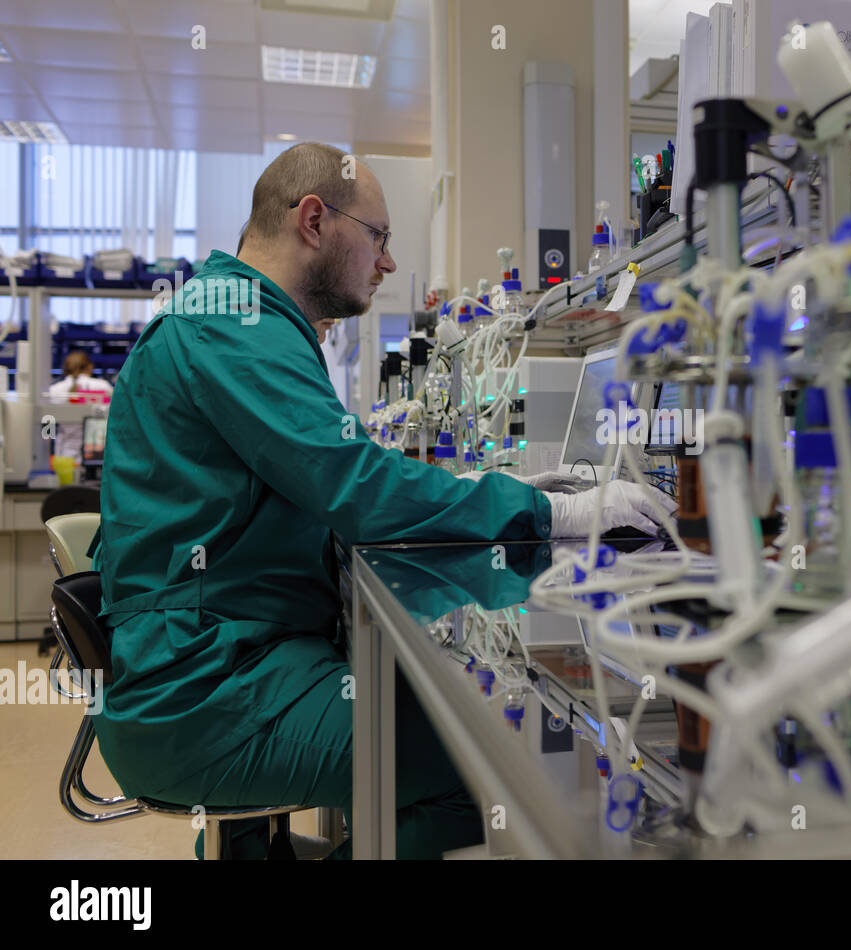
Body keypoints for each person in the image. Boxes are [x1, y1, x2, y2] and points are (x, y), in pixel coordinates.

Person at [91, 142, 674, 859]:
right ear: (313, 220)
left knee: (420, 707)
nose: (388, 262)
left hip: (217, 662)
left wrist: (481, 493)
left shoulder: (239, 315)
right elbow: (357, 488)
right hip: (203, 692)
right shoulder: (232, 322)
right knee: (476, 756)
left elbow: (324, 479)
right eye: (379, 238)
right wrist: (560, 514)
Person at [48, 351, 113, 465]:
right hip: (98, 453)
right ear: (90, 366)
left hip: (64, 456)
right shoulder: (103, 386)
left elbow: (48, 426)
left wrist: (47, 450)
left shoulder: (54, 390)